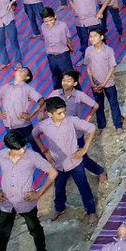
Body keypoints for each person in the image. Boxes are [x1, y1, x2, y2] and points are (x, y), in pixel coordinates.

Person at [0, 131, 56, 251]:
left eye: (24, 147)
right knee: (3, 230)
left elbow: (53, 173)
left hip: (26, 202)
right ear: (9, 148)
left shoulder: (32, 156)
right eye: (19, 149)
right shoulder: (1, 155)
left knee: (35, 230)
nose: (23, 150)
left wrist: (39, 193)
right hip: (6, 202)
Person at [32, 96, 99, 225]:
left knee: (83, 187)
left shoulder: (72, 120)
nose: (63, 115)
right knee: (59, 188)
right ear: (50, 114)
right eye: (59, 113)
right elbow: (34, 135)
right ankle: (59, 208)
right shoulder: (43, 126)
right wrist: (44, 151)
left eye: (64, 111)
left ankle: (91, 211)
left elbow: (92, 129)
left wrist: (85, 148)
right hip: (57, 164)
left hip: (75, 162)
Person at [46, 69, 107, 183]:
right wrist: (42, 115)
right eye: (63, 80)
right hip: (60, 132)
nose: (65, 83)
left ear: (74, 83)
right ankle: (67, 171)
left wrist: (88, 118)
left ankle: (100, 171)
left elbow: (95, 105)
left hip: (75, 133)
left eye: (69, 81)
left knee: (81, 157)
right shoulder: (55, 94)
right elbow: (46, 106)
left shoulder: (79, 95)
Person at [84, 29, 126, 133]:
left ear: (101, 37)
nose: (92, 39)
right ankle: (101, 125)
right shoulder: (88, 51)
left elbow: (112, 68)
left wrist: (104, 84)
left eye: (95, 36)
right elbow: (88, 67)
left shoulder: (108, 50)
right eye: (90, 36)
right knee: (98, 105)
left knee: (113, 103)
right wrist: (92, 83)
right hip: (95, 84)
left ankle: (118, 125)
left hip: (108, 83)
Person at [0, 66, 42, 143]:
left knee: (35, 144)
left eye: (23, 70)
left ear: (27, 77)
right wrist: (0, 113)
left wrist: (31, 115)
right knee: (16, 147)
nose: (20, 70)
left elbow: (41, 101)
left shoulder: (27, 88)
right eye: (20, 69)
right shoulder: (6, 87)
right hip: (9, 126)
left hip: (24, 125)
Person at [40, 8, 74, 89]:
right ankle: (58, 94)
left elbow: (68, 38)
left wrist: (71, 48)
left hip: (63, 56)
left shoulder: (63, 26)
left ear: (55, 16)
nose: (48, 23)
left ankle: (76, 94)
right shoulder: (43, 27)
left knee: (69, 76)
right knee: (56, 76)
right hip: (51, 57)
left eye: (50, 20)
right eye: (46, 21)